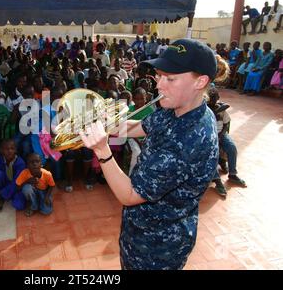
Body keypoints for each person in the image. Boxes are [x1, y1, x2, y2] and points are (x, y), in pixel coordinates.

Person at [79, 39, 219, 270]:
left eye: (170, 78)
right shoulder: (177, 107)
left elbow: (130, 195)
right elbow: (140, 127)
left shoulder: (192, 140)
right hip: (139, 229)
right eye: (159, 76)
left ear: (200, 82)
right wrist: (107, 123)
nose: (160, 86)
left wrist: (102, 151)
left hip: (159, 246)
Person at [207, 87, 246, 198]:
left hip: (221, 134)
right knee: (210, 153)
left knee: (232, 147)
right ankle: (217, 180)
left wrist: (220, 135)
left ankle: (233, 174)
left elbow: (226, 124)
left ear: (218, 98)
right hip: (209, 137)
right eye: (211, 98)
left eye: (215, 98)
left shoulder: (222, 109)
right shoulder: (205, 110)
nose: (213, 100)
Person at [0, 139, 26, 211]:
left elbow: (17, 183)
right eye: (6, 149)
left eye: (12, 149)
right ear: (1, 150)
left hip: (17, 186)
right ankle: (1, 198)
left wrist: (0, 193)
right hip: (5, 183)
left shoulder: (20, 163)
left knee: (19, 205)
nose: (9, 151)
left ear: (15, 150)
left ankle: (2, 195)